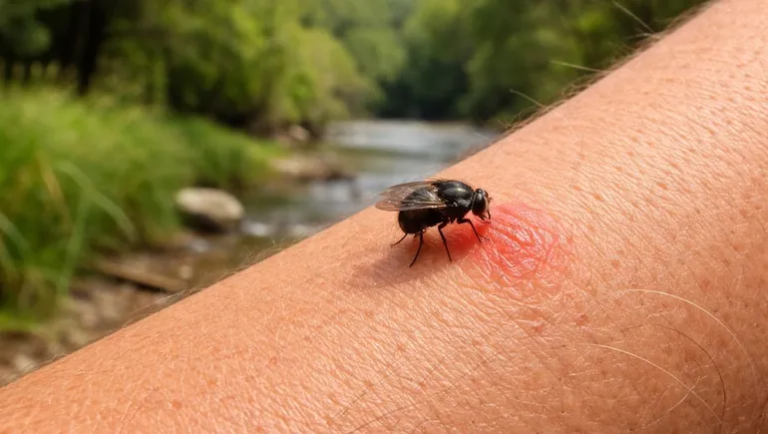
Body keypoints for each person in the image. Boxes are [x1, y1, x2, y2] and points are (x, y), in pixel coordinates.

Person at [2, 0, 767, 431]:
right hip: (409, 221)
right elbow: (425, 210)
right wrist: (425, 237)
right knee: (426, 234)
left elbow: (430, 199)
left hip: (410, 213)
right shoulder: (447, 210)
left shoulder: (456, 197)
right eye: (477, 210)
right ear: (466, 208)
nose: (480, 214)